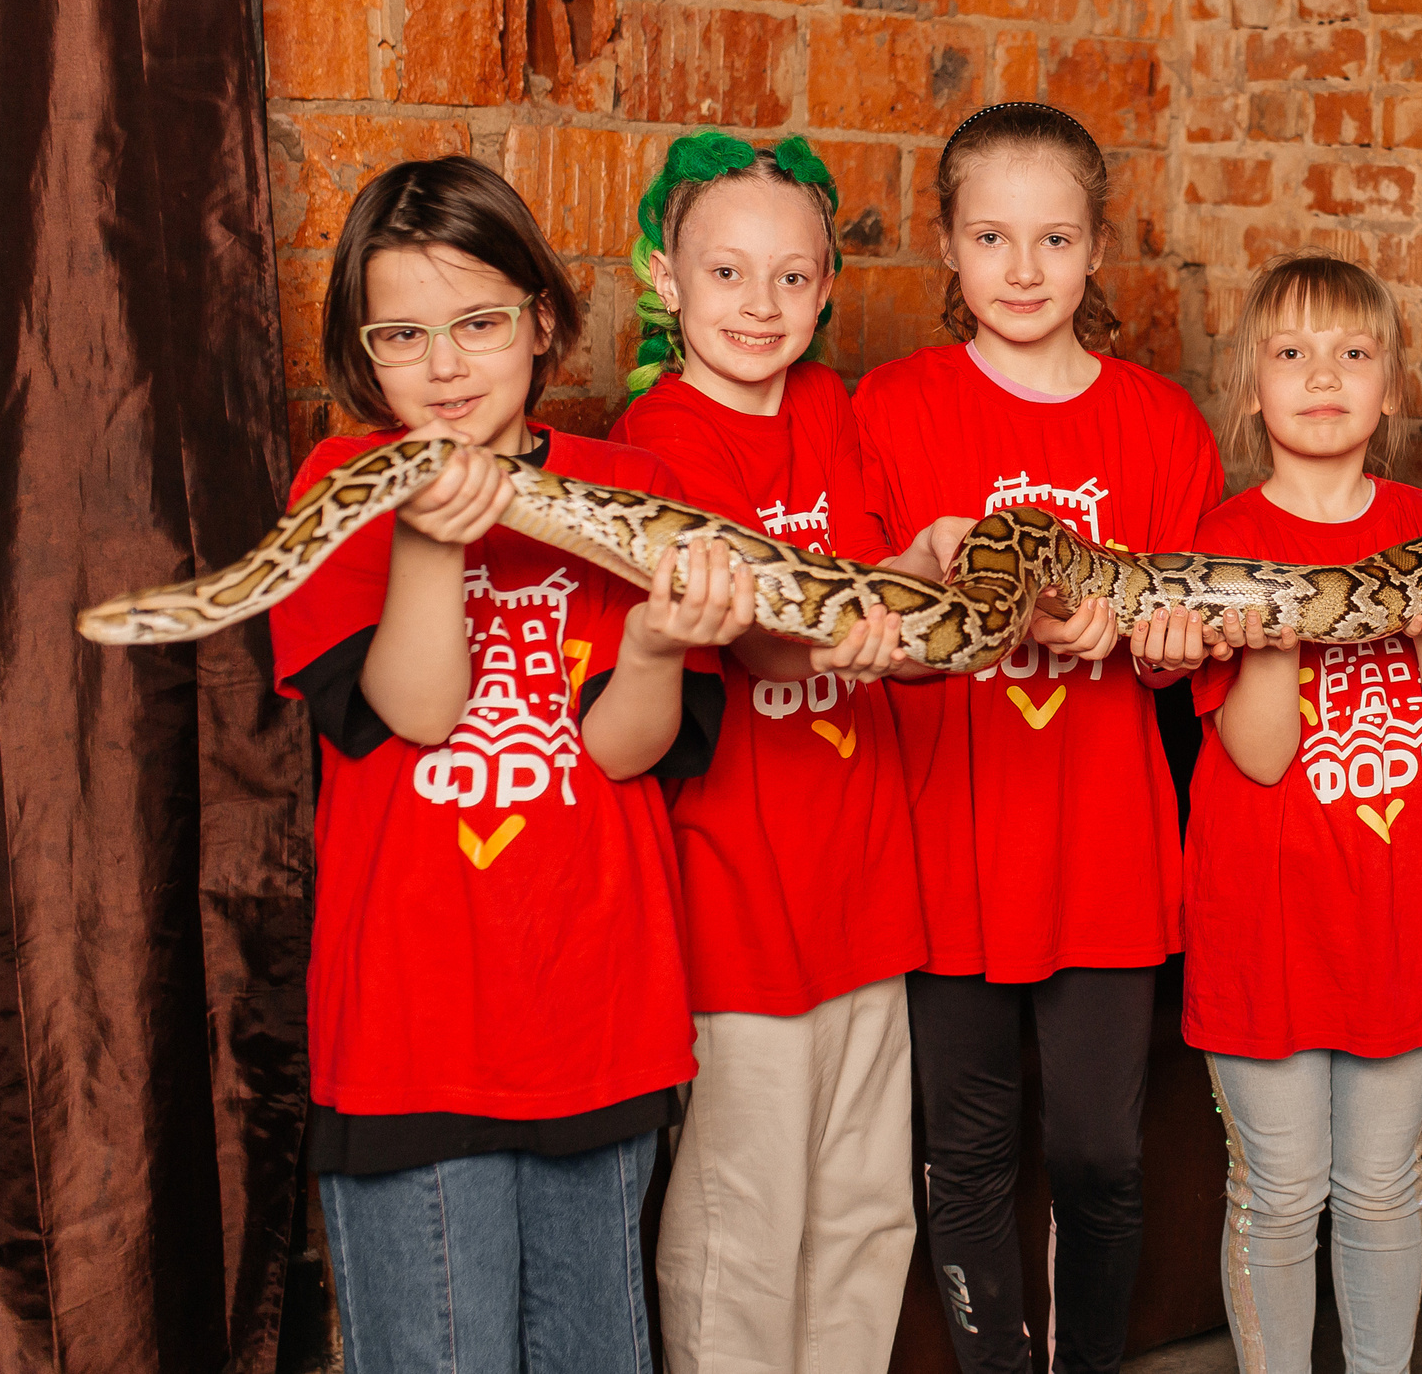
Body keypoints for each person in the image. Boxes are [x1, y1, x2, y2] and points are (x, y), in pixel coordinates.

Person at [269, 157, 754, 1374]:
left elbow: (623, 749)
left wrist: (649, 640)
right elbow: (418, 713)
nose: (443, 368)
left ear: (542, 321)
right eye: (403, 335)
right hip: (410, 1033)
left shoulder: (638, 493)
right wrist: (432, 530)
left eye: (479, 323)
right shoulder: (339, 488)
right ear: (364, 352)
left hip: (599, 1015)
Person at [856, 101, 1228, 1374]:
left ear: (1094, 248)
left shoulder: (1160, 424)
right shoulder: (890, 409)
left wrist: (1134, 628)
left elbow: (1193, 626)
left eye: (1054, 238)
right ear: (947, 251)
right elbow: (862, 618)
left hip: (1105, 845)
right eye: (993, 238)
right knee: (962, 1152)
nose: (1024, 271)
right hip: (946, 839)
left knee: (1099, 1152)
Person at [607, 131, 927, 1373]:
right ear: (664, 278)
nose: (761, 304)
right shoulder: (657, 442)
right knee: (746, 1215)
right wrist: (899, 591)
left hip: (865, 877)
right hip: (739, 888)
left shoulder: (840, 411)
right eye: (727, 273)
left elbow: (870, 596)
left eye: (791, 278)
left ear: (828, 287)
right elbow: (773, 648)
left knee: (861, 1211)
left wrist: (914, 579)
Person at [1186, 251, 1422, 1374]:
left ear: (1390, 386)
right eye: (1292, 354)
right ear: (1250, 389)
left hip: (1405, 916)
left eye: (1353, 354)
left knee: (1380, 1185)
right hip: (1265, 923)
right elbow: (1261, 754)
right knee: (1278, 1193)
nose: (1324, 377)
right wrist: (1277, 625)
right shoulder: (1223, 542)